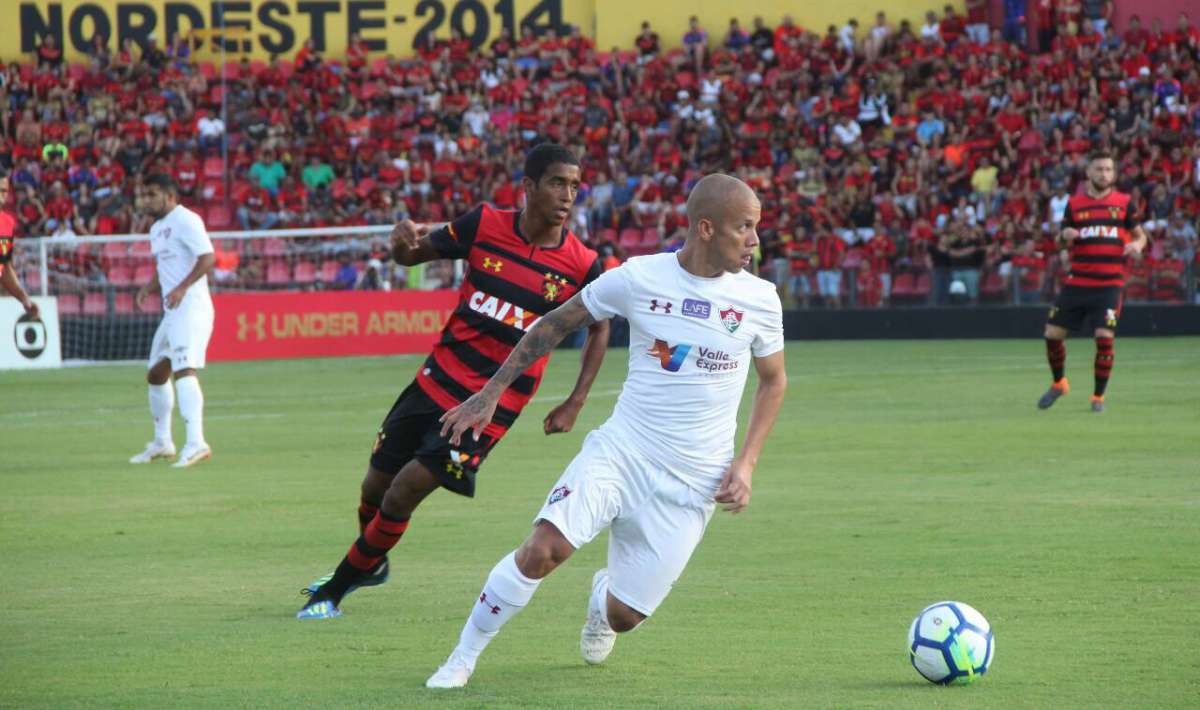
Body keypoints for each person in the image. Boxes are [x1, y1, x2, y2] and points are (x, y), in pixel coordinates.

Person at [424, 173, 787, 689]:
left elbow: (773, 383)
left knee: (625, 617)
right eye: (745, 228)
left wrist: (746, 464)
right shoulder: (638, 278)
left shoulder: (760, 299)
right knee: (542, 549)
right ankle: (461, 658)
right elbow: (553, 323)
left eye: (756, 228)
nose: (755, 240)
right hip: (622, 452)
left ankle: (601, 602)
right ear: (706, 228)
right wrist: (490, 393)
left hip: (694, 481)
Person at [296, 144, 611, 620]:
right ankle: (371, 562)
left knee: (404, 491)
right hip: (433, 380)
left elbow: (600, 324)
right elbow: (412, 255)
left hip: (490, 406)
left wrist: (576, 400)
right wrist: (400, 245)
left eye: (574, 184)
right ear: (527, 188)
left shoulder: (581, 263)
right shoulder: (484, 224)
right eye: (557, 183)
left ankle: (335, 590)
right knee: (375, 485)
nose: (568, 194)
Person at [1039, 151, 1147, 414]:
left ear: (1114, 173)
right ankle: (1059, 383)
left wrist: (1137, 245)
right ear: (1088, 173)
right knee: (1052, 335)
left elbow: (1140, 236)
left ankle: (1098, 397)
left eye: (1109, 170)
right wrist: (1064, 235)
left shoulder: (1123, 203)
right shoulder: (1074, 204)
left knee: (1104, 337)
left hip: (1109, 284)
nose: (1104, 174)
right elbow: (1060, 241)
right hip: (1078, 281)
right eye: (1099, 169)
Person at [130, 174, 215, 467]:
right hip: (172, 312)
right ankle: (163, 441)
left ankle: (196, 442)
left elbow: (207, 258)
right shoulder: (156, 228)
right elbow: (163, 264)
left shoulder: (187, 220)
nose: (146, 200)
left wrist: (181, 287)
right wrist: (148, 288)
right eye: (145, 195)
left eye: (152, 194)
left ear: (169, 195)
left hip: (191, 307)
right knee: (155, 374)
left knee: (184, 369)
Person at [0, 174, 40, 319]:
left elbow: (4, 267)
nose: (1, 195)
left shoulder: (7, 223)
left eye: (3, 191)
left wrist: (24, 299)